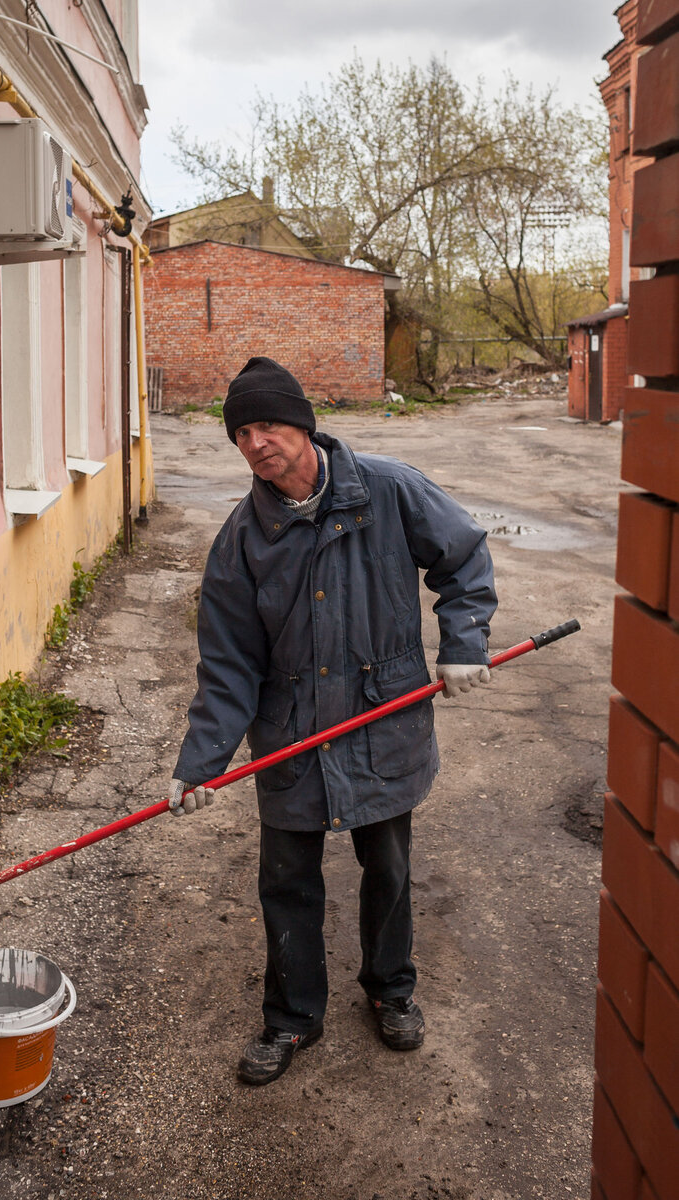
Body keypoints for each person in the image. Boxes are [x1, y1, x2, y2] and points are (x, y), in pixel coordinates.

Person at [168, 356, 497, 1086]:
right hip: (292, 737)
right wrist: (201, 762)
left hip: (385, 721)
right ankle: (291, 1019)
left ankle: (391, 990)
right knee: (286, 880)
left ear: (304, 424)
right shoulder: (241, 542)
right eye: (242, 432)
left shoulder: (387, 488)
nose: (257, 442)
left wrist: (464, 643)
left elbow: (464, 556)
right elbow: (227, 666)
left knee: (389, 866)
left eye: (269, 424)